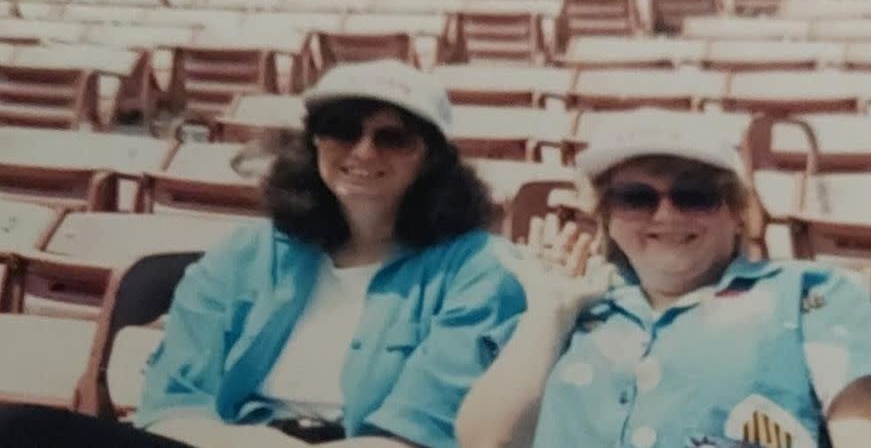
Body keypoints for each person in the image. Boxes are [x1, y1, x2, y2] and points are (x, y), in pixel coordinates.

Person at [0, 60, 524, 448]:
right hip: (228, 443)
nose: (363, 152)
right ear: (314, 142)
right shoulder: (246, 252)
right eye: (341, 130)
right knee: (20, 430)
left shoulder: (476, 270)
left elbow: (418, 430)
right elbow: (172, 403)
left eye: (393, 138)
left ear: (431, 159)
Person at [456, 109, 871, 448]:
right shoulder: (573, 308)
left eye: (694, 195)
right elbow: (485, 440)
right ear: (608, 217)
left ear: (735, 213)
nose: (666, 215)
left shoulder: (811, 296)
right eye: (636, 198)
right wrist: (548, 312)